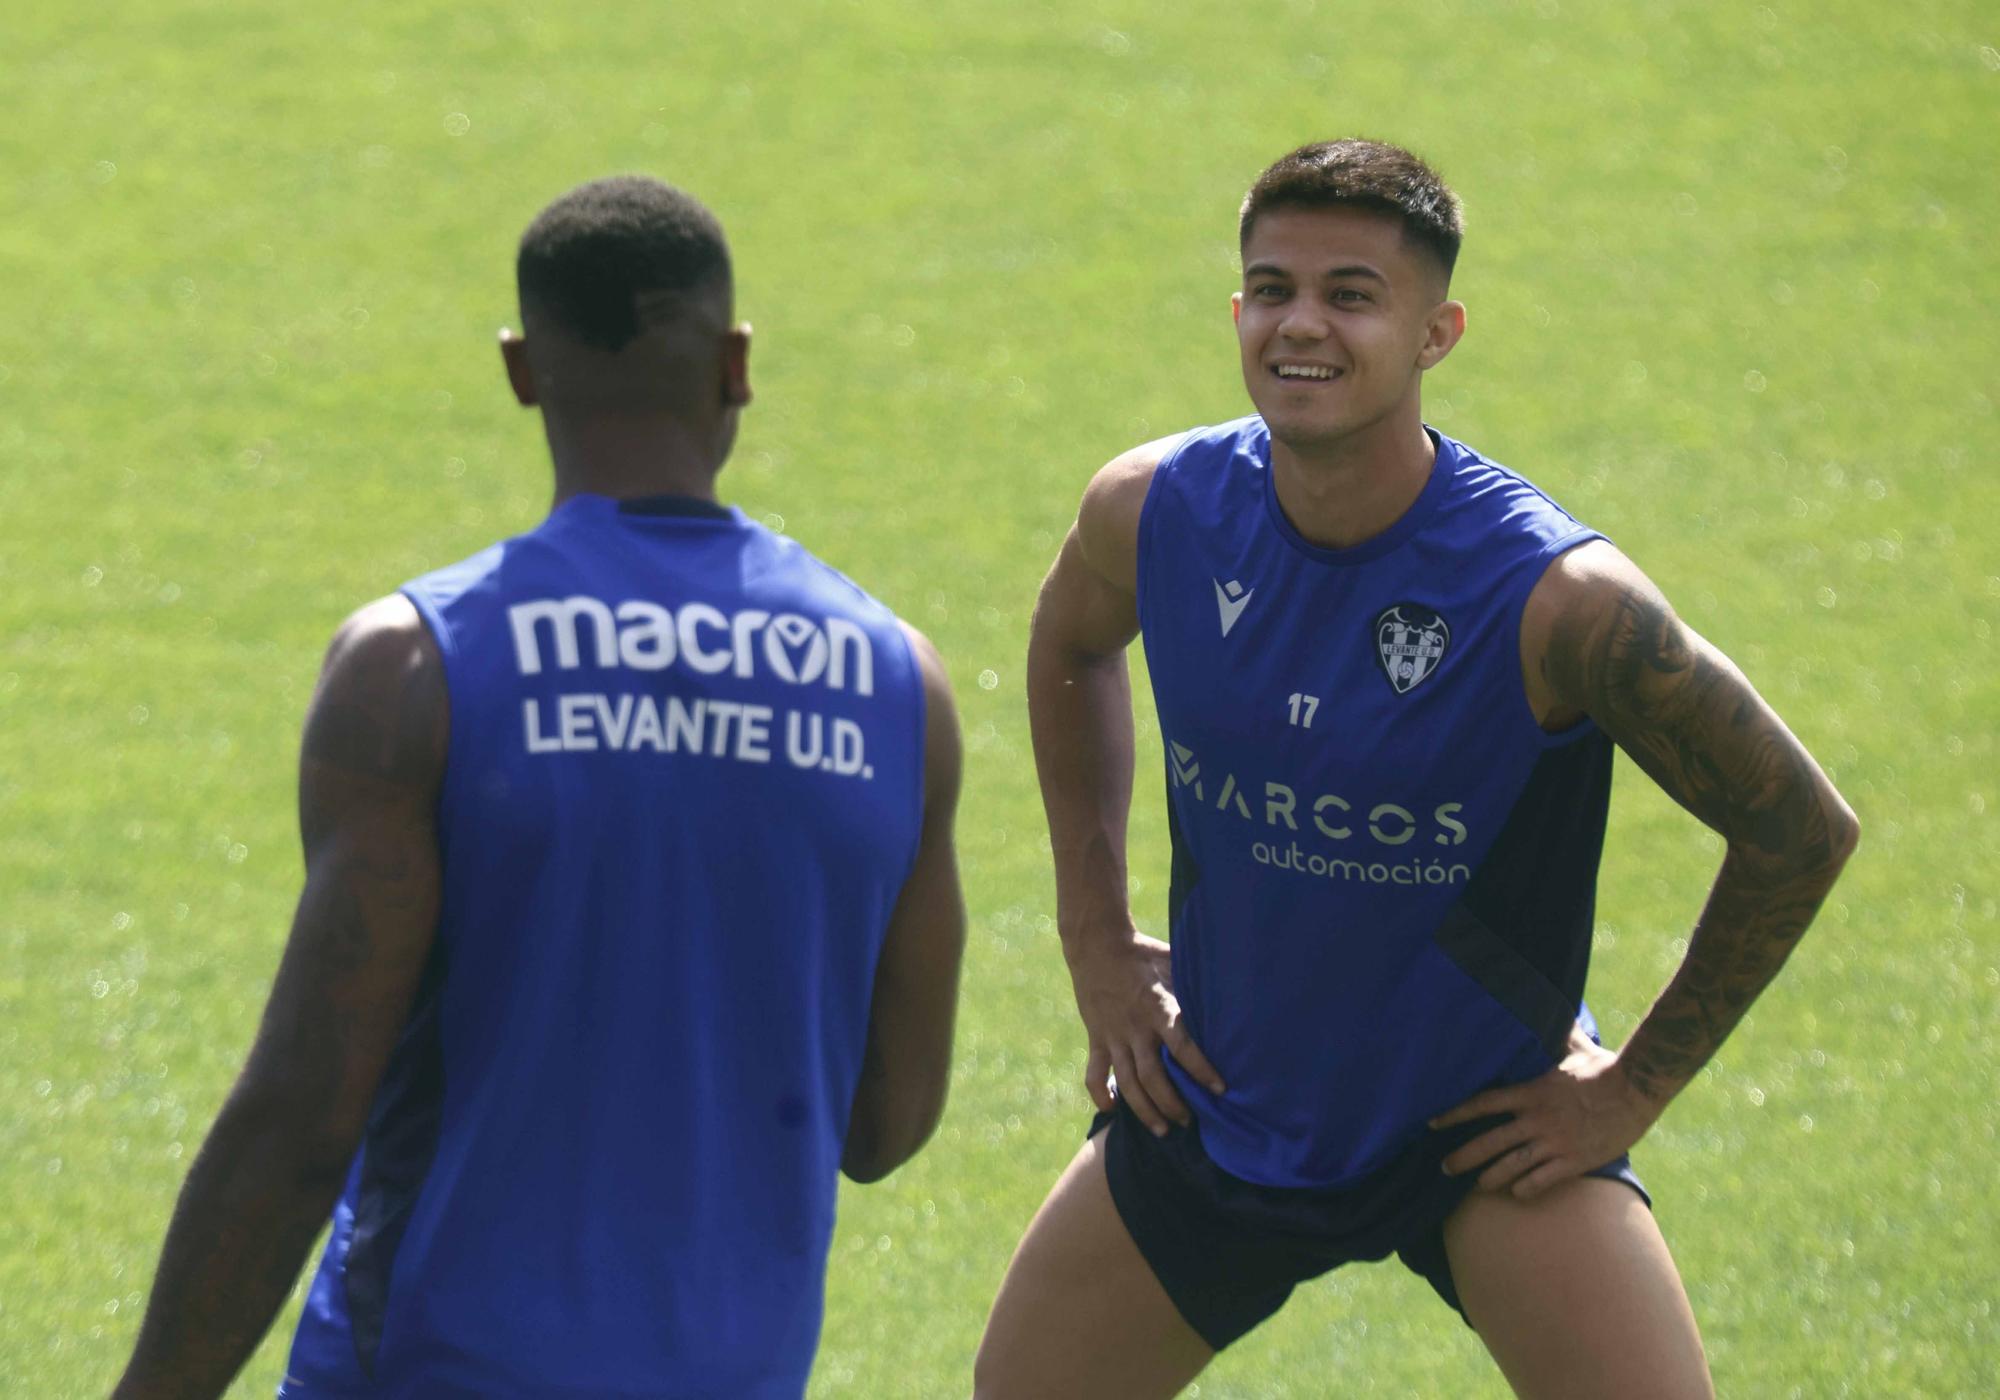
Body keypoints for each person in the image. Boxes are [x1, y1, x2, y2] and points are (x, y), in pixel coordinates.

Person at [975, 139, 1858, 1398]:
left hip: (1481, 1129)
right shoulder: (1154, 509)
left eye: (1349, 294)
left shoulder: (1556, 603)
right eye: (1271, 288)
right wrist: (1093, 936)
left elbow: (1798, 828)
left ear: (1434, 332)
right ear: (1234, 311)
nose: (1300, 325)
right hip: (1222, 1096)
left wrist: (1631, 1088)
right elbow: (1069, 643)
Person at [113, 176, 966, 1400]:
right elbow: (886, 1122)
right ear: (735, 364)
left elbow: (308, 1110)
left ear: (521, 370)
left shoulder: (415, 665)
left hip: (430, 1367)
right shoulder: (897, 684)